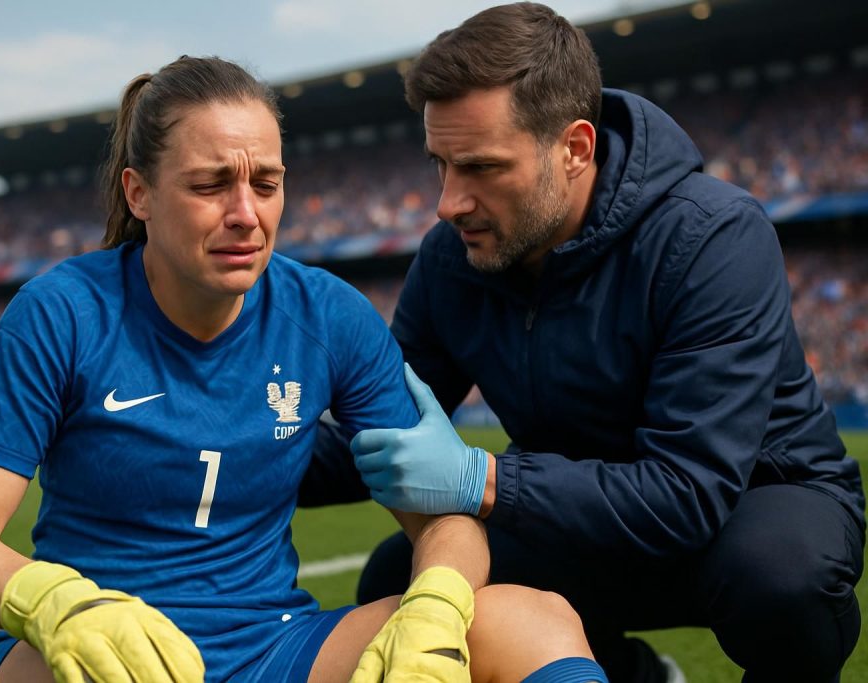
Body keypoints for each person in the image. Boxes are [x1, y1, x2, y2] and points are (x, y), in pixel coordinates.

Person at [0, 54, 609, 683]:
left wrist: (437, 604)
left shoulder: (329, 314)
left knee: (533, 619)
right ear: (139, 193)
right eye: (210, 184)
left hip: (274, 646)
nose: (246, 214)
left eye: (266, 183)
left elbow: (442, 523)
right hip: (98, 648)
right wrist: (59, 604)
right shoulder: (61, 312)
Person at [299, 4, 866, 682]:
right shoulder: (451, 260)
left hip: (744, 508)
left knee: (781, 576)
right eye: (440, 165)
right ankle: (636, 674)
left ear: (574, 148)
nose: (448, 203)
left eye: (480, 167)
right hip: (578, 515)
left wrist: (484, 479)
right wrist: (225, 450)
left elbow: (687, 492)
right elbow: (379, 429)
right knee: (399, 580)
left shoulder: (711, 236)